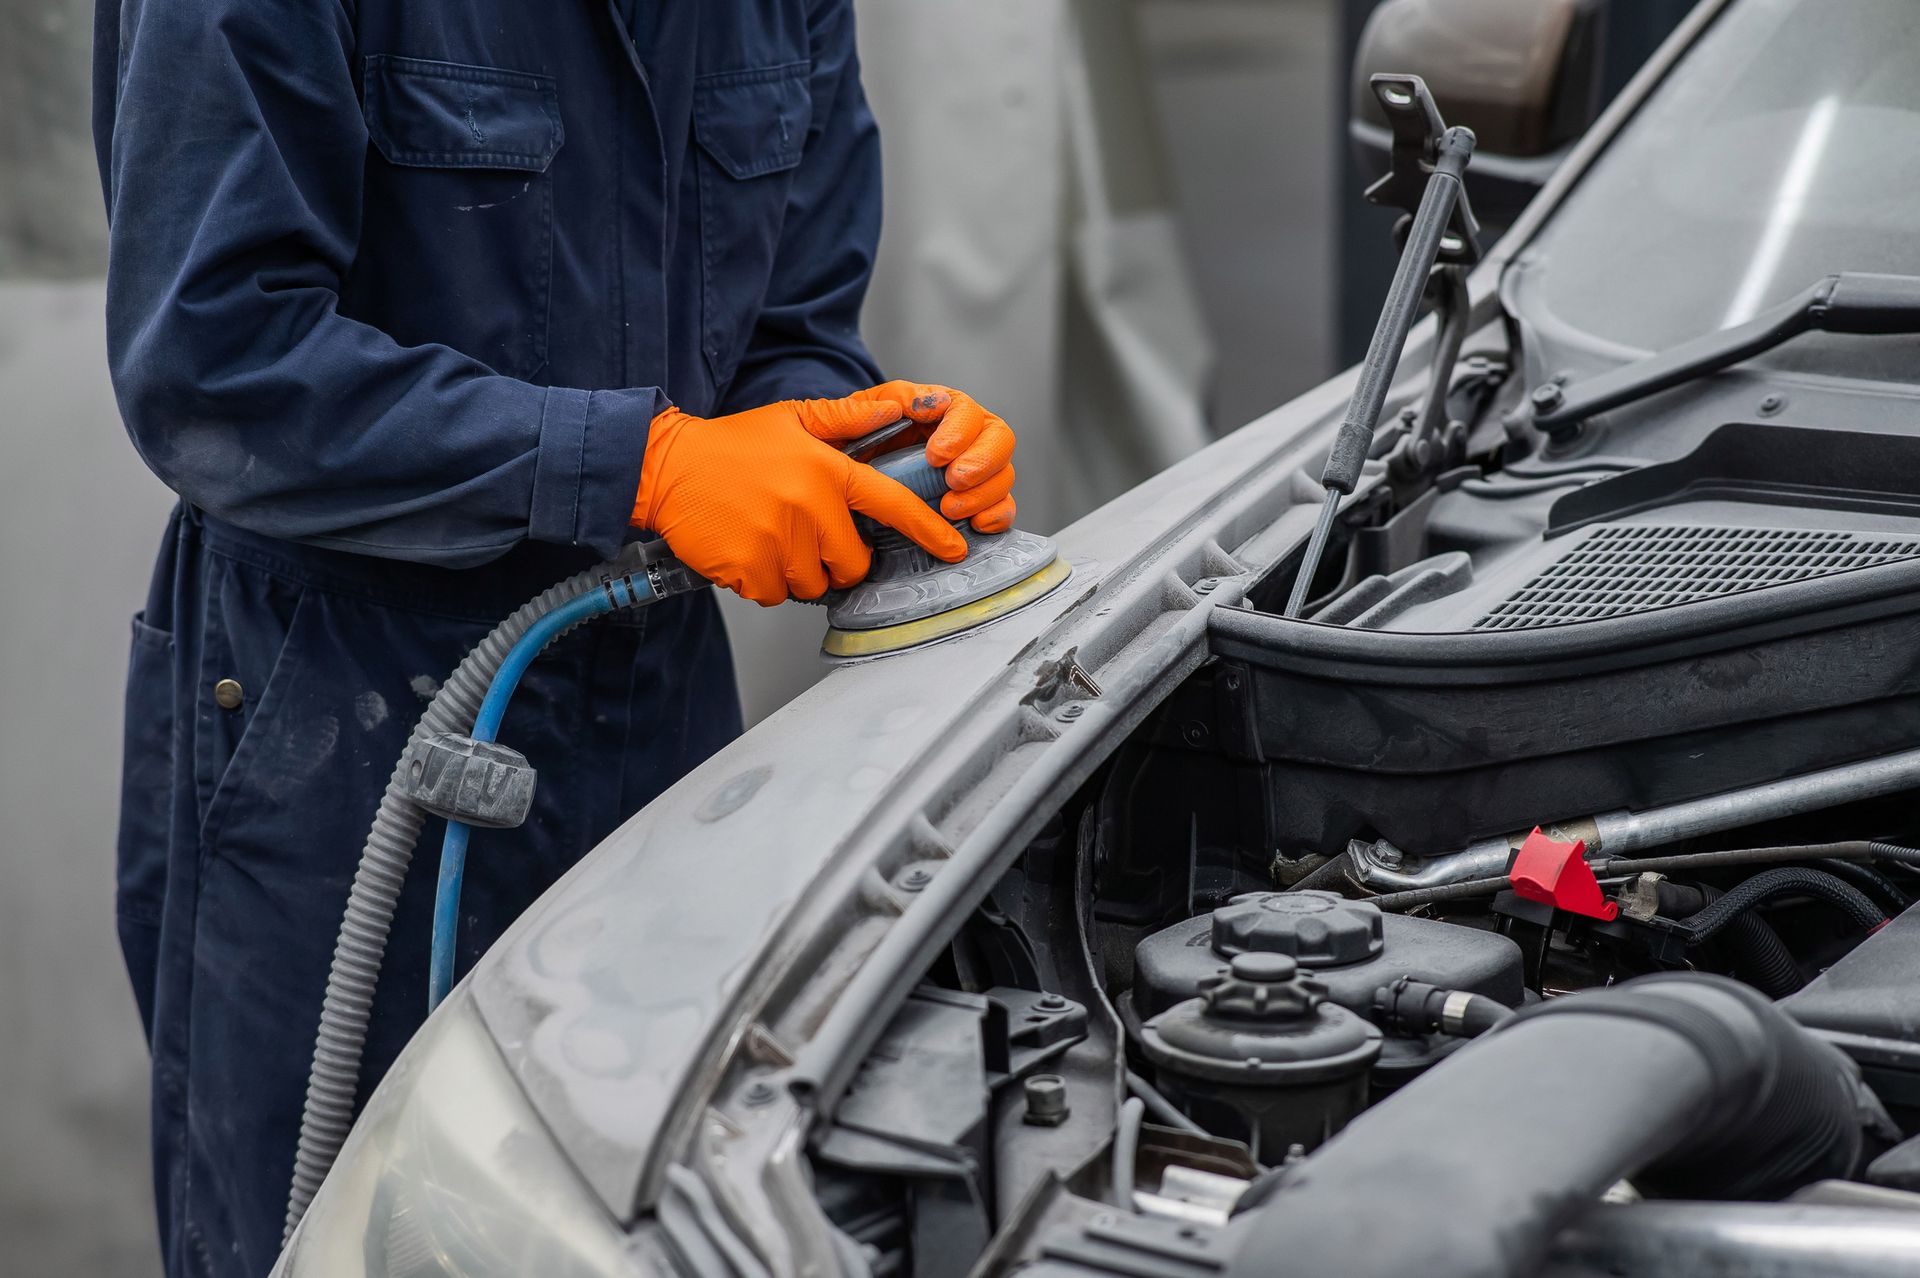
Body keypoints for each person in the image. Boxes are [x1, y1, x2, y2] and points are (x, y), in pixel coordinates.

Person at [91, 2, 1019, 1273]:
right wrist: (644, 469)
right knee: (346, 1238)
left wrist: (864, 453)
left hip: (658, 725)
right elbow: (213, 367)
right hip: (337, 747)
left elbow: (788, 331)